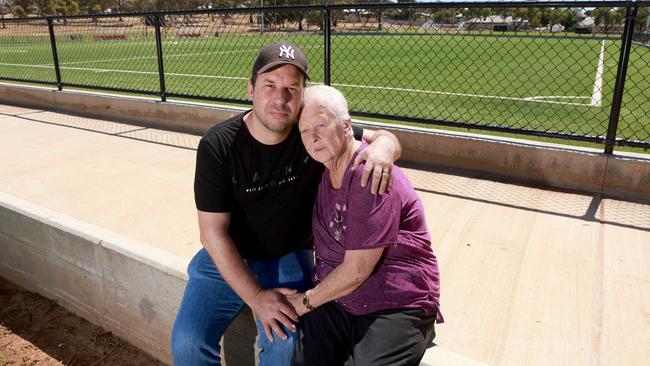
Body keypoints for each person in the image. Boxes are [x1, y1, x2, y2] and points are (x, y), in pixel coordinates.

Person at [170, 41, 401, 366]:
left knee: (284, 344)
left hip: (288, 256)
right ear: (250, 89)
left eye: (292, 88)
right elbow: (212, 234)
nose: (280, 98)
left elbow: (377, 136)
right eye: (270, 86)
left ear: (302, 97)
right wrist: (256, 297)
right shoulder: (218, 145)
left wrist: (385, 148)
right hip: (227, 255)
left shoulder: (309, 134)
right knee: (187, 345)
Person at [288, 85, 443, 366]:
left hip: (394, 301)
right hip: (340, 297)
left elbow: (357, 270)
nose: (313, 137)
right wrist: (386, 141)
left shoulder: (368, 173)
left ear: (347, 127)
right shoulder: (322, 161)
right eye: (305, 130)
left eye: (321, 124)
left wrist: (304, 302)